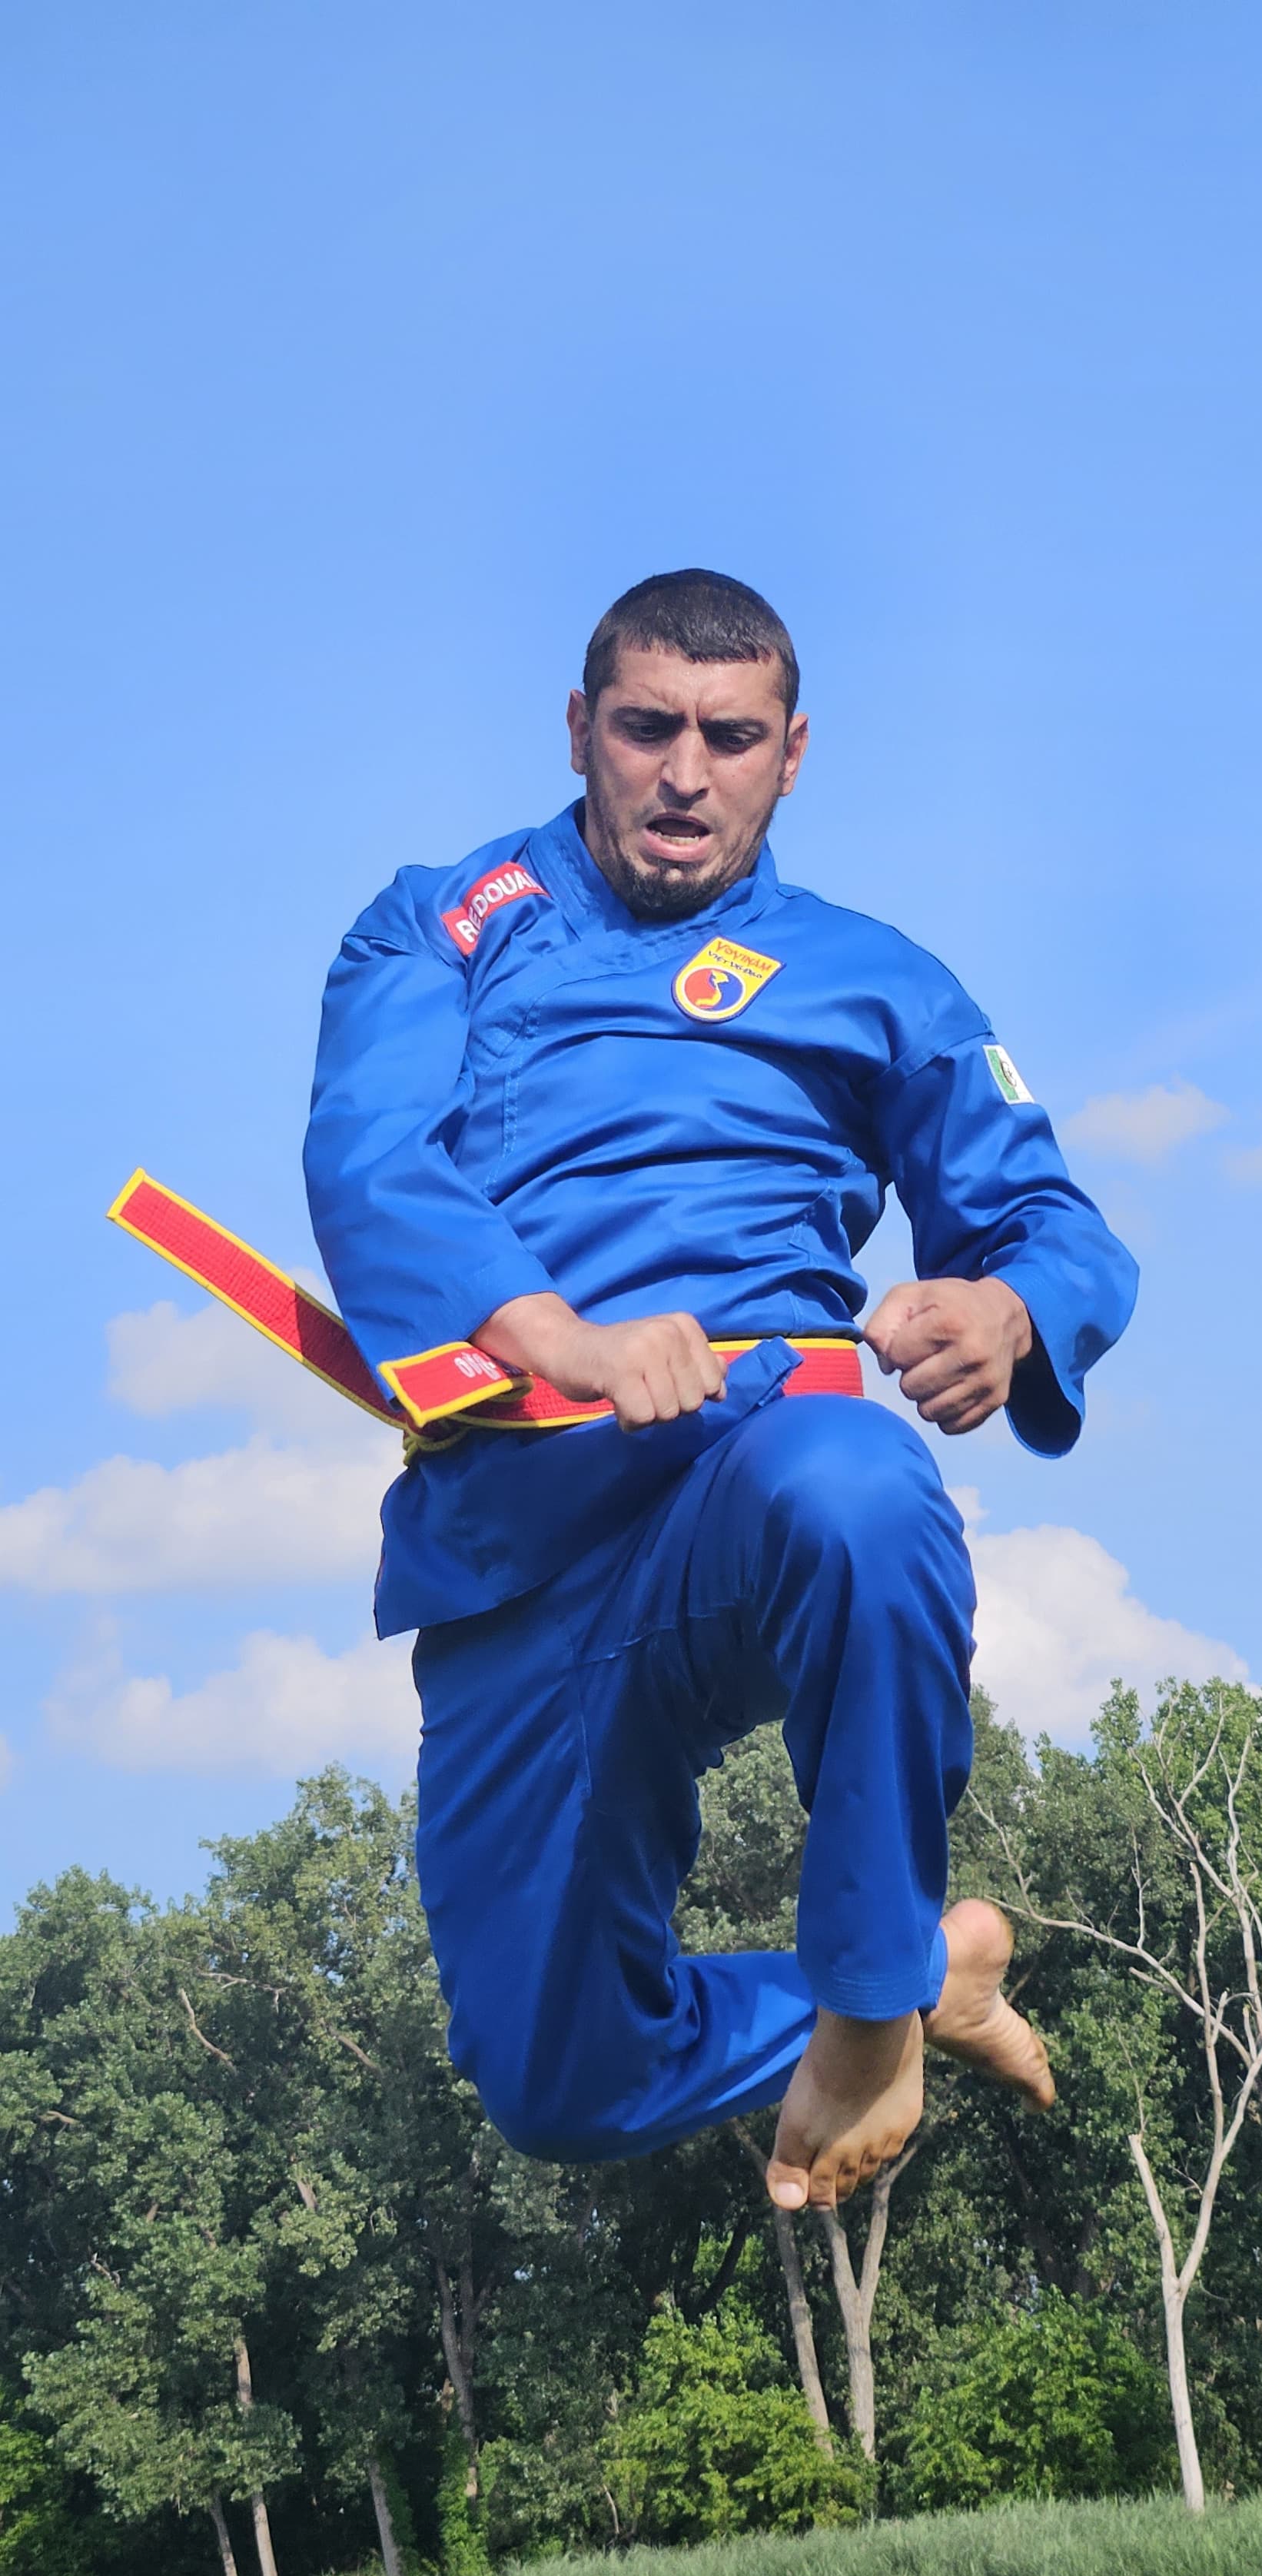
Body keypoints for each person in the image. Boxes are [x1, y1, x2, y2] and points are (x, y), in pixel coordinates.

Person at [305, 570, 1137, 2216]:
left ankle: (873, 1960)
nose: (686, 772)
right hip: (518, 1551)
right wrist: (560, 1334)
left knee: (862, 1489)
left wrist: (1014, 1307)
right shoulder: (439, 921)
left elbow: (1059, 1227)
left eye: (730, 736)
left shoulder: (877, 979)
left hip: (739, 1490)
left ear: (793, 751)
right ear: (582, 729)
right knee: (560, 2079)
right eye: (648, 728)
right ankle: (905, 1985)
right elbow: (371, 1160)